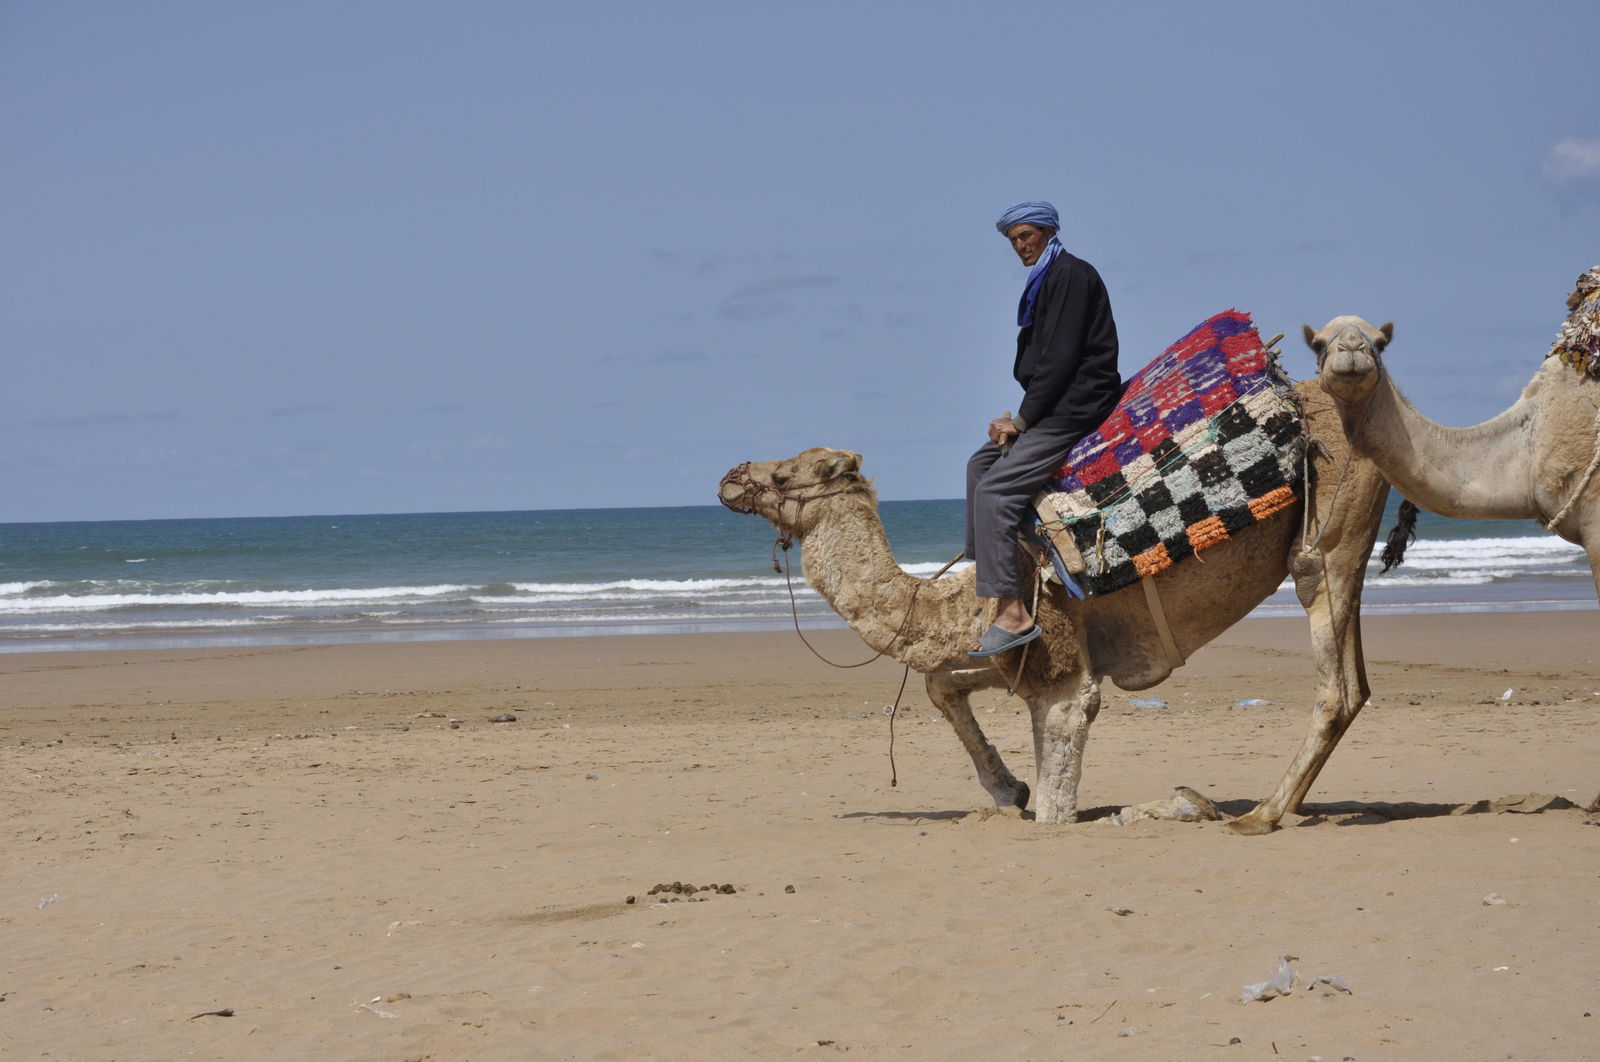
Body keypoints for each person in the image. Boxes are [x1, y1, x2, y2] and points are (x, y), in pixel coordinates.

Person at [966, 200, 1122, 657]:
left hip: (1073, 407)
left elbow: (1060, 358)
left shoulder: (1070, 275)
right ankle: (993, 583)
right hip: (1054, 403)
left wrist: (1021, 420)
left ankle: (1014, 615)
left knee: (995, 492)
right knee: (979, 464)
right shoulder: (1048, 278)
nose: (1019, 246)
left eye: (1026, 236)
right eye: (1013, 239)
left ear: (1048, 231)